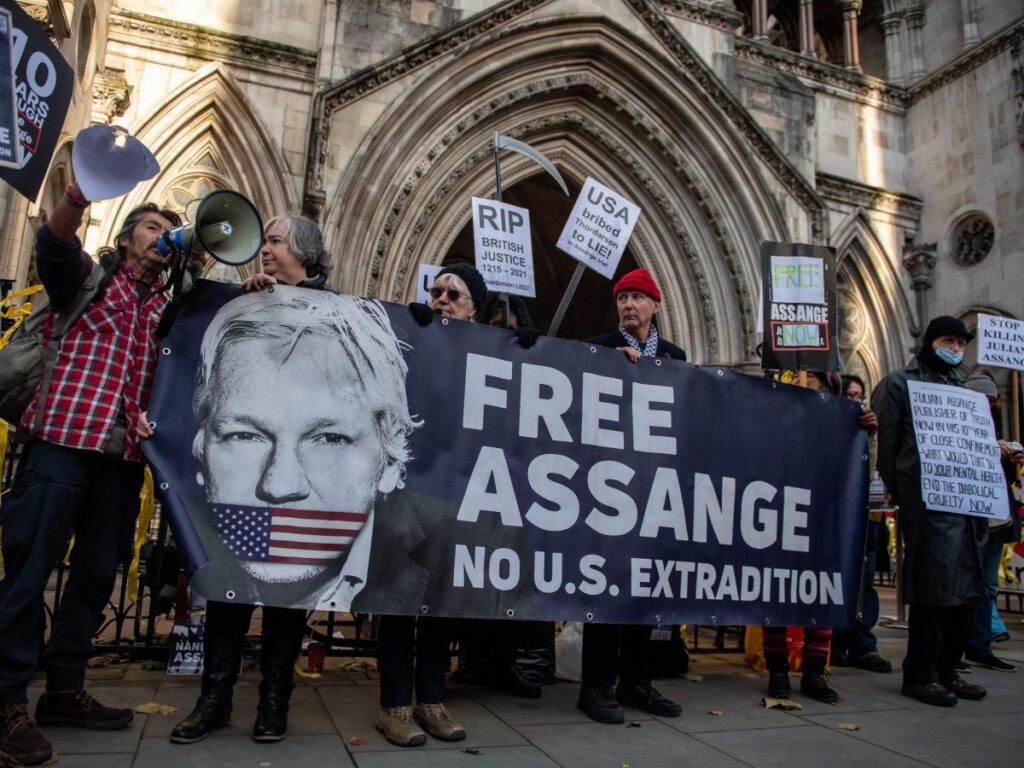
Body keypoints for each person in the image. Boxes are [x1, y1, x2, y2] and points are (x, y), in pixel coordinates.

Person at [167, 216, 382, 744]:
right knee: (229, 590)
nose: (264, 250)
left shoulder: (336, 313)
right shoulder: (252, 301)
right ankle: (213, 700)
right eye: (263, 241)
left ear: (304, 255)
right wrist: (247, 301)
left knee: (286, 605)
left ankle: (272, 704)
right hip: (252, 478)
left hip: (300, 484)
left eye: (275, 241)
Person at [0, 182, 180, 766]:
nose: (160, 237)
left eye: (167, 232)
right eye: (151, 227)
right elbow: (53, 245)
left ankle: (64, 691)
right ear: (127, 239)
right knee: (29, 574)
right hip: (60, 445)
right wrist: (78, 196)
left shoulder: (167, 310)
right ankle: (5, 702)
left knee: (95, 578)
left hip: (120, 463)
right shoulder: (88, 281)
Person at [376, 263, 489, 748]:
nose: (441, 299)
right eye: (436, 291)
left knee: (441, 599)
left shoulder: (490, 354)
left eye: (454, 295)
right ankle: (395, 704)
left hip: (457, 494)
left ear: (474, 310)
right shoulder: (410, 339)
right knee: (400, 596)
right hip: (405, 489)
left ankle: (431, 699)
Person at [577, 267, 684, 724]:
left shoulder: (675, 357)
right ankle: (596, 685)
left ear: (655, 305)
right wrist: (603, 367)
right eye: (622, 298)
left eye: (638, 297)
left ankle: (637, 682)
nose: (628, 305)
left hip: (654, 487)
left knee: (644, 588)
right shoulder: (601, 348)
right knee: (606, 587)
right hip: (609, 486)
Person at [874, 315, 989, 706]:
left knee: (966, 590)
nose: (955, 348)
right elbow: (887, 449)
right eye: (948, 340)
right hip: (928, 503)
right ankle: (920, 673)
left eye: (961, 343)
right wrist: (904, 492)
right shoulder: (898, 384)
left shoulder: (963, 388)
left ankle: (948, 670)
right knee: (933, 588)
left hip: (968, 504)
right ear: (930, 341)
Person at [831, 374, 894, 673]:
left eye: (859, 396)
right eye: (849, 396)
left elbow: (870, 470)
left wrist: (871, 434)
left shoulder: (868, 430)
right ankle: (835, 642)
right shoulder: (826, 424)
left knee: (864, 582)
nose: (856, 402)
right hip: (833, 514)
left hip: (867, 514)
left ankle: (862, 645)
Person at [961, 373, 1022, 672]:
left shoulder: (998, 433)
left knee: (988, 585)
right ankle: (958, 645)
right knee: (965, 584)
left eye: (990, 401)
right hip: (969, 520)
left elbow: (1004, 482)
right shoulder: (957, 429)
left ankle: (980, 645)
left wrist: (1009, 461)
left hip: (996, 520)